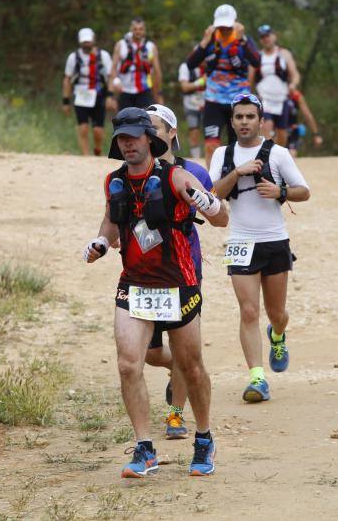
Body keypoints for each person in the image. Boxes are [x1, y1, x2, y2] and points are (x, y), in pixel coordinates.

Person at [83, 107, 227, 478]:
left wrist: (207, 203)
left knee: (191, 367)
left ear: (150, 139)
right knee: (129, 363)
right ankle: (144, 448)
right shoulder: (114, 181)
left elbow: (221, 217)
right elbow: (112, 222)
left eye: (134, 136)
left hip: (178, 282)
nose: (128, 143)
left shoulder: (176, 176)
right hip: (134, 284)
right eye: (122, 138)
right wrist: (101, 241)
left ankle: (204, 437)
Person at [209, 94, 310, 403]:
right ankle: (257, 378)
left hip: (274, 240)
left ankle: (277, 335)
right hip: (241, 241)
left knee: (276, 313)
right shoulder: (222, 155)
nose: (244, 122)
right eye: (238, 117)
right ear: (231, 121)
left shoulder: (277, 153)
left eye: (250, 116)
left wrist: (279, 191)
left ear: (261, 120)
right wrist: (237, 173)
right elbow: (212, 194)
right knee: (249, 311)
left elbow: (303, 191)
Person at [144, 104, 213, 440]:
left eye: (155, 127)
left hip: (185, 268)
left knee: (184, 347)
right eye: (144, 127)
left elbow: (214, 209)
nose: (148, 133)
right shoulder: (135, 169)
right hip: (145, 270)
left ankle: (176, 414)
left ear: (172, 132)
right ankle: (180, 366)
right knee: (150, 352)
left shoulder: (195, 172)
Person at [186, 4, 260, 165]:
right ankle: (212, 186)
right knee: (211, 145)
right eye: (221, 26)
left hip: (239, 101)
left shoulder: (244, 40)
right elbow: (190, 64)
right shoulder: (211, 39)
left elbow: (256, 61)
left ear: (235, 22)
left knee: (239, 146)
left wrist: (243, 40)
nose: (225, 30)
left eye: (228, 26)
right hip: (214, 101)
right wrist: (204, 41)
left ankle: (237, 184)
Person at [63, 27, 113, 156]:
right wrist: (66, 101)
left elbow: (110, 77)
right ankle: (85, 155)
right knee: (83, 127)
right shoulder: (73, 58)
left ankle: (97, 149)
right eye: (84, 41)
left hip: (99, 94)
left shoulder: (103, 56)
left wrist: (110, 96)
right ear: (80, 42)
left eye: (88, 41)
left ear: (93, 40)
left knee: (98, 130)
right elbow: (67, 79)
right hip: (81, 95)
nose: (87, 44)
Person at [252, 24, 300, 147]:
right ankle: (267, 158)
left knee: (282, 133)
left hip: (281, 99)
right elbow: (250, 79)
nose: (266, 39)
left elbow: (295, 75)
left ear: (274, 36)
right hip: (265, 99)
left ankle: (279, 157)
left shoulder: (284, 54)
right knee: (266, 127)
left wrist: (293, 84)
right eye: (262, 37)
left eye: (267, 35)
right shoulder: (257, 57)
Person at [109, 18, 163, 110]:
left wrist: (158, 93)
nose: (138, 32)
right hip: (125, 89)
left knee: (145, 119)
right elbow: (113, 67)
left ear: (144, 30)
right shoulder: (121, 45)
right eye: (135, 29)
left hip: (144, 89)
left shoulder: (150, 47)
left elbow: (157, 71)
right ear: (131, 29)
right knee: (125, 120)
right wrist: (112, 90)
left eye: (141, 29)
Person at [178, 58, 207, 158]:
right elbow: (184, 87)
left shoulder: (211, 65)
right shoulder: (185, 66)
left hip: (208, 103)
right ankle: (197, 159)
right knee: (194, 132)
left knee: (210, 133)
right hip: (190, 104)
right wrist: (202, 81)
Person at [285, 90, 323, 158]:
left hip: (290, 130)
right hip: (277, 130)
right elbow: (307, 116)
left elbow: (307, 115)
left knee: (289, 154)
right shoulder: (269, 92)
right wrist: (316, 134)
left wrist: (316, 134)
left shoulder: (295, 95)